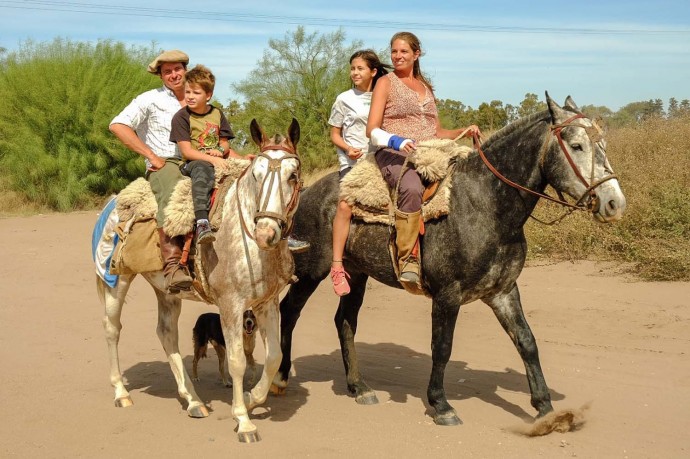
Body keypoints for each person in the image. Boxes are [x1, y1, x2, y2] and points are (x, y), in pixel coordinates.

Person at [366, 32, 480, 287]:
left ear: (416, 54)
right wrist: (396, 141)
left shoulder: (426, 88)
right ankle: (408, 258)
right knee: (411, 187)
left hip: (431, 150)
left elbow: (438, 132)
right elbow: (371, 129)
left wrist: (464, 131)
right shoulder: (386, 82)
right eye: (394, 51)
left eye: (404, 52)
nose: (398, 56)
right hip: (395, 153)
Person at [110, 49, 194, 293]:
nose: (174, 75)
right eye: (167, 72)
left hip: (196, 159)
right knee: (174, 192)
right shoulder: (149, 99)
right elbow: (118, 125)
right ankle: (172, 266)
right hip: (165, 163)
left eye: (177, 69)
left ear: (185, 69)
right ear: (161, 76)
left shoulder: (197, 98)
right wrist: (151, 156)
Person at [328, 50, 390, 296]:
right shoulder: (344, 98)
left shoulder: (383, 95)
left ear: (373, 72)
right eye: (352, 68)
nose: (354, 73)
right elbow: (334, 133)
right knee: (345, 206)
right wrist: (347, 148)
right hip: (351, 163)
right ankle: (337, 266)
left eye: (360, 68)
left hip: (379, 160)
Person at [169, 64, 243, 245]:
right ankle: (202, 221)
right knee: (203, 169)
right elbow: (187, 151)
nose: (190, 97)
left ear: (208, 95)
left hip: (216, 157)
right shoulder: (181, 117)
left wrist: (219, 151)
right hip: (193, 162)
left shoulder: (217, 113)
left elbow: (225, 143)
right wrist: (212, 158)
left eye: (196, 93)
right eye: (188, 92)